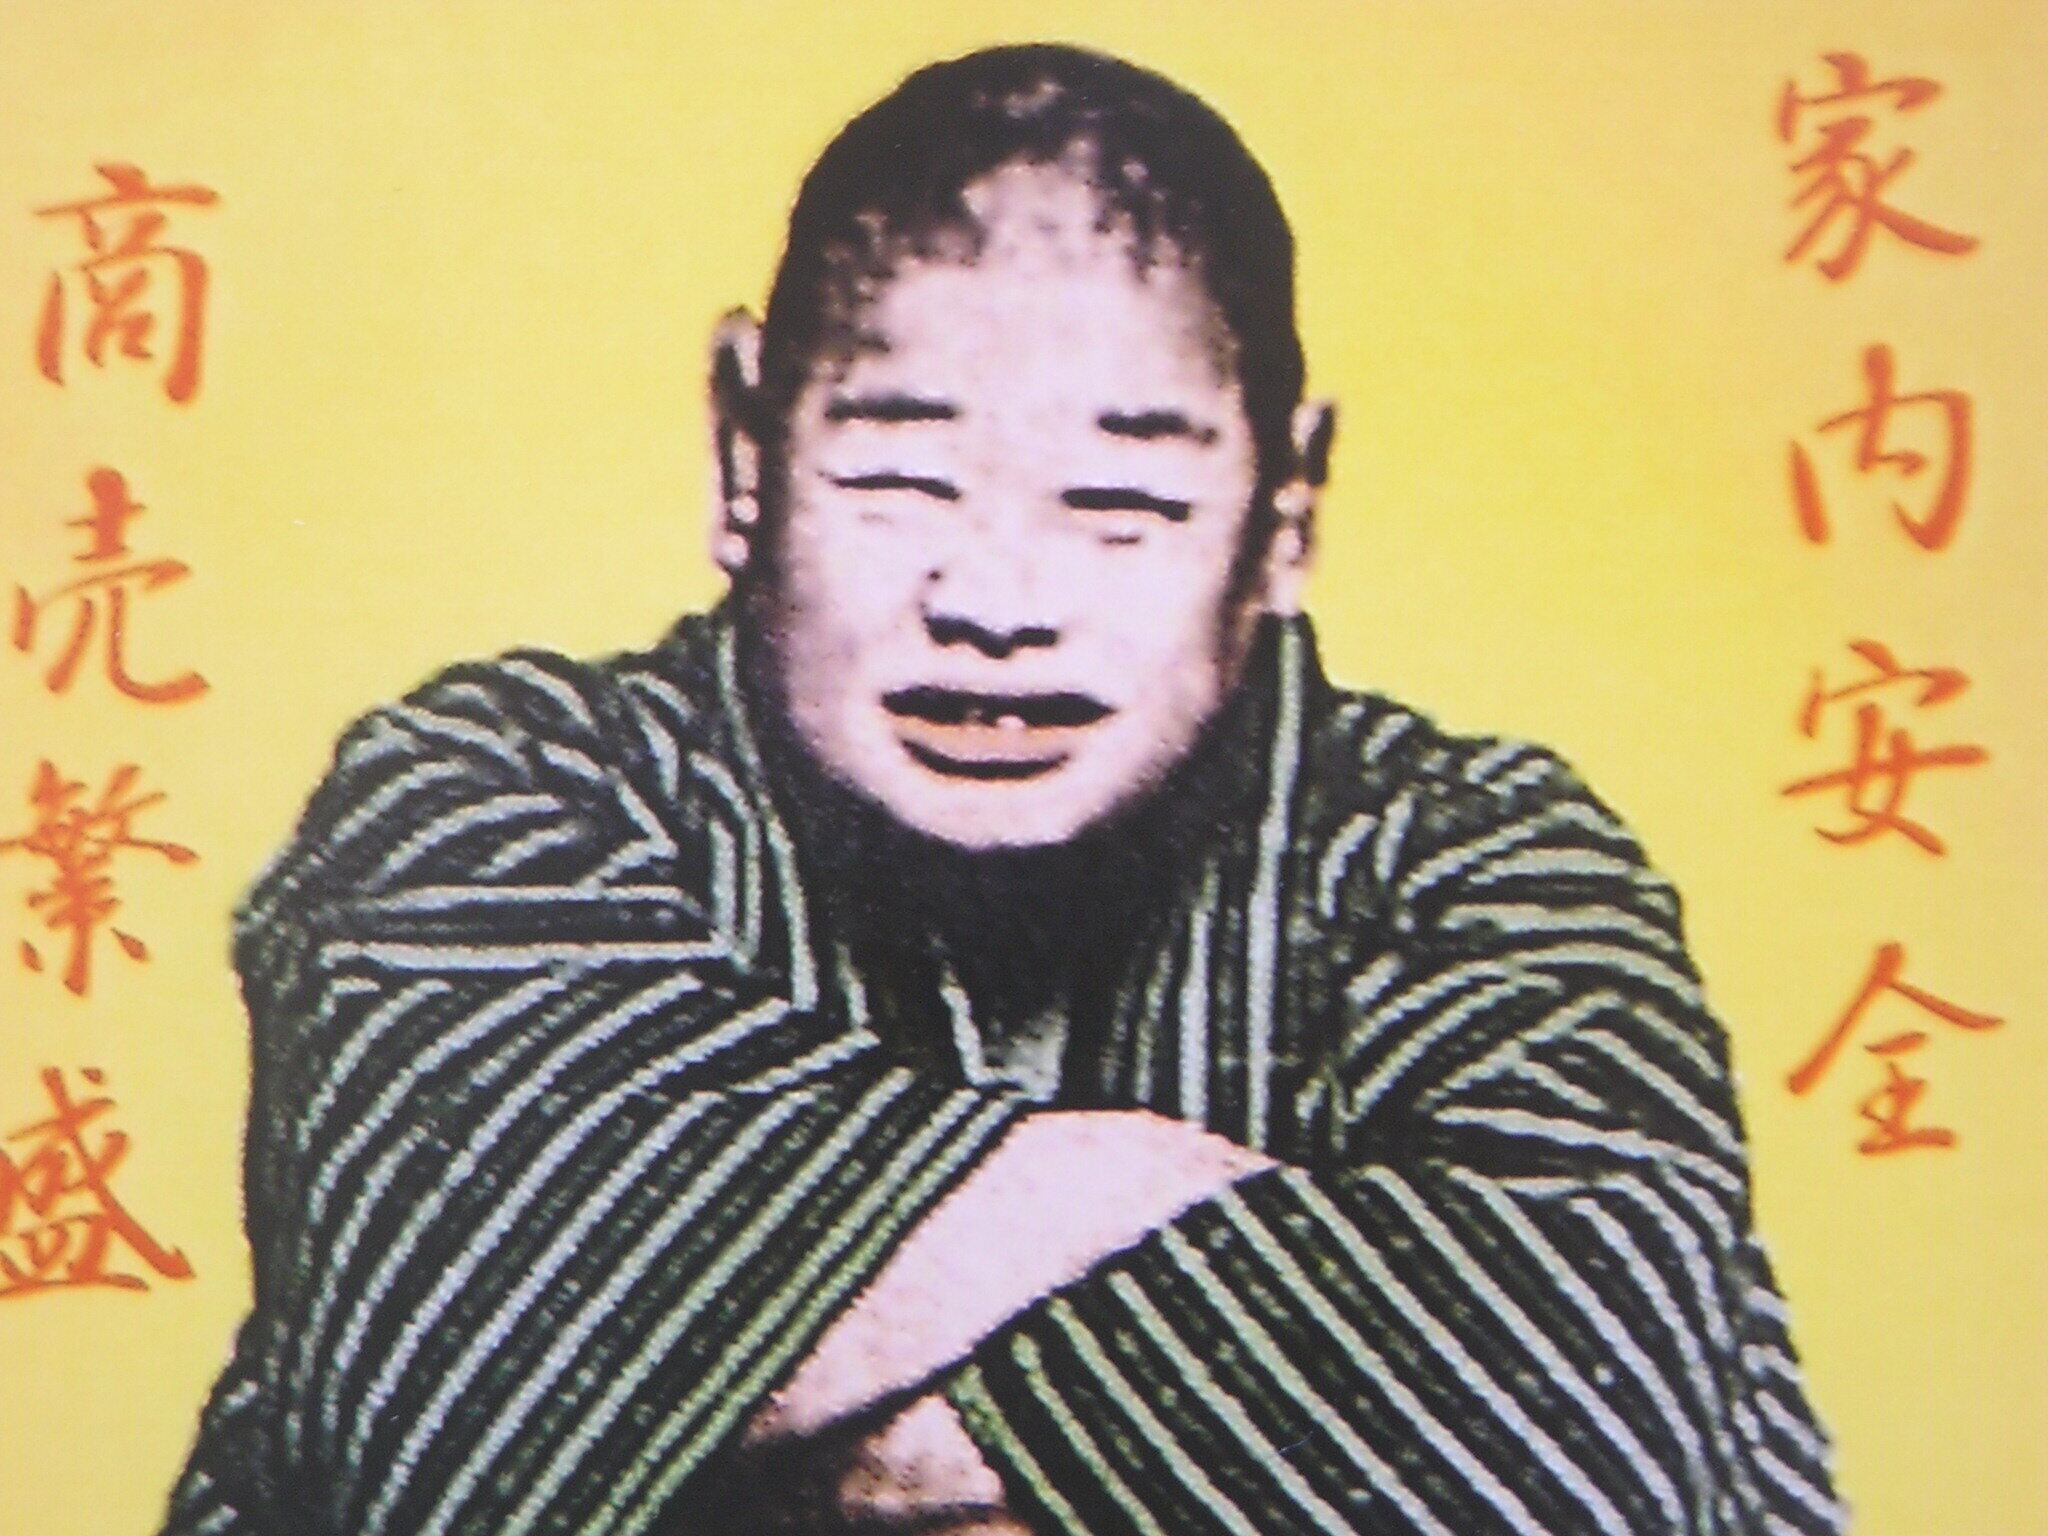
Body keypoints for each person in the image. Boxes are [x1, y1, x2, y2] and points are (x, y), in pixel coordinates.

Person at [164, 44, 1844, 1536]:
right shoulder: (485, 796)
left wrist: (749, 1426)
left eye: (1118, 502)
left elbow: (1585, 1442)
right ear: (744, 450)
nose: (997, 600)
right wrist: (1217, 1253)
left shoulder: (1477, 863)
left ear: (1289, 506)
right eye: (901, 474)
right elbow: (466, 1361)